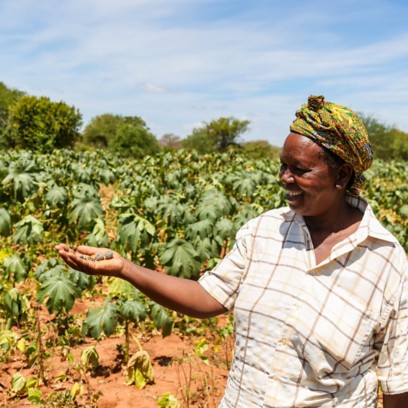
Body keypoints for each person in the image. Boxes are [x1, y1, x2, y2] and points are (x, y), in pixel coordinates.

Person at [56, 95, 408, 407]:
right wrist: (125, 268)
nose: (285, 177)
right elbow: (208, 298)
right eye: (283, 165)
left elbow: (397, 384)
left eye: (300, 169)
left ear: (342, 175)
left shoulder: (386, 262)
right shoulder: (264, 231)